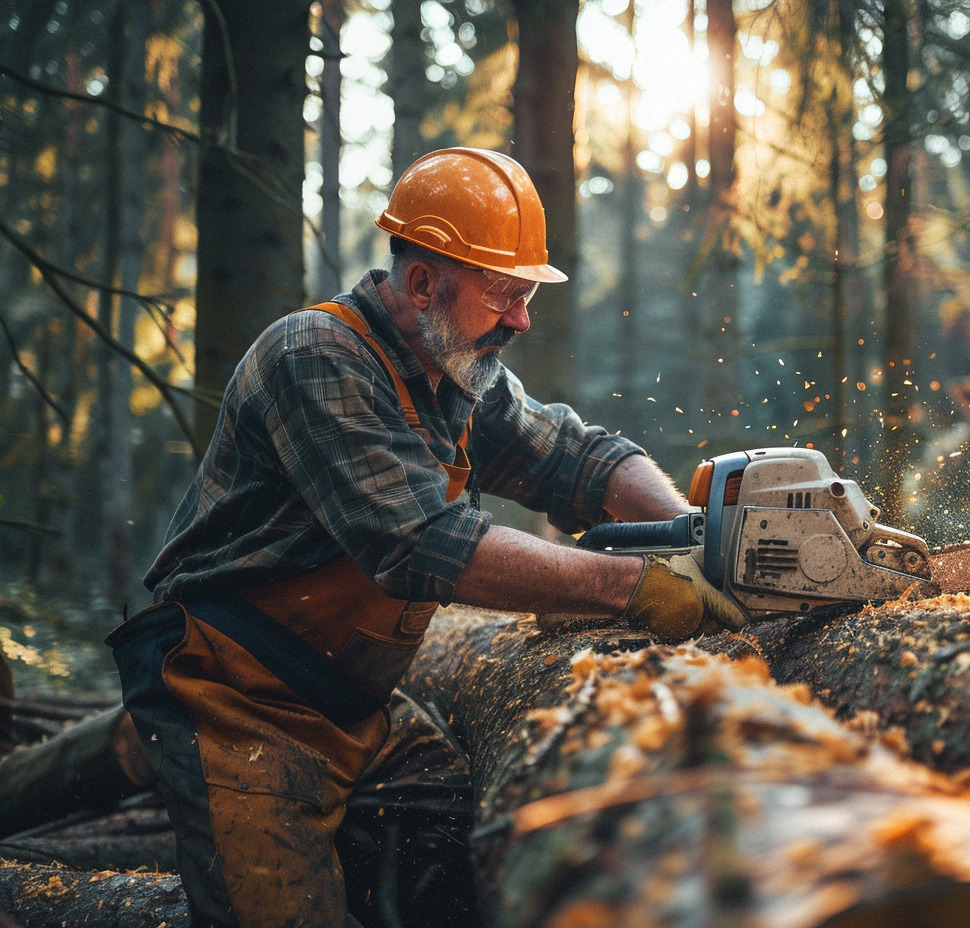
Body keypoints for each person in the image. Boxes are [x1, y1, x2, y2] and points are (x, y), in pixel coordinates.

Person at [105, 147, 745, 928]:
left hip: (352, 704)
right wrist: (635, 586)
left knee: (446, 835)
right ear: (421, 283)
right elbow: (419, 542)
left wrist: (690, 534)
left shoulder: (458, 369)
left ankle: (128, 750)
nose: (521, 319)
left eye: (525, 294)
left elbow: (580, 460)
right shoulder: (315, 357)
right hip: (236, 701)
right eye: (504, 294)